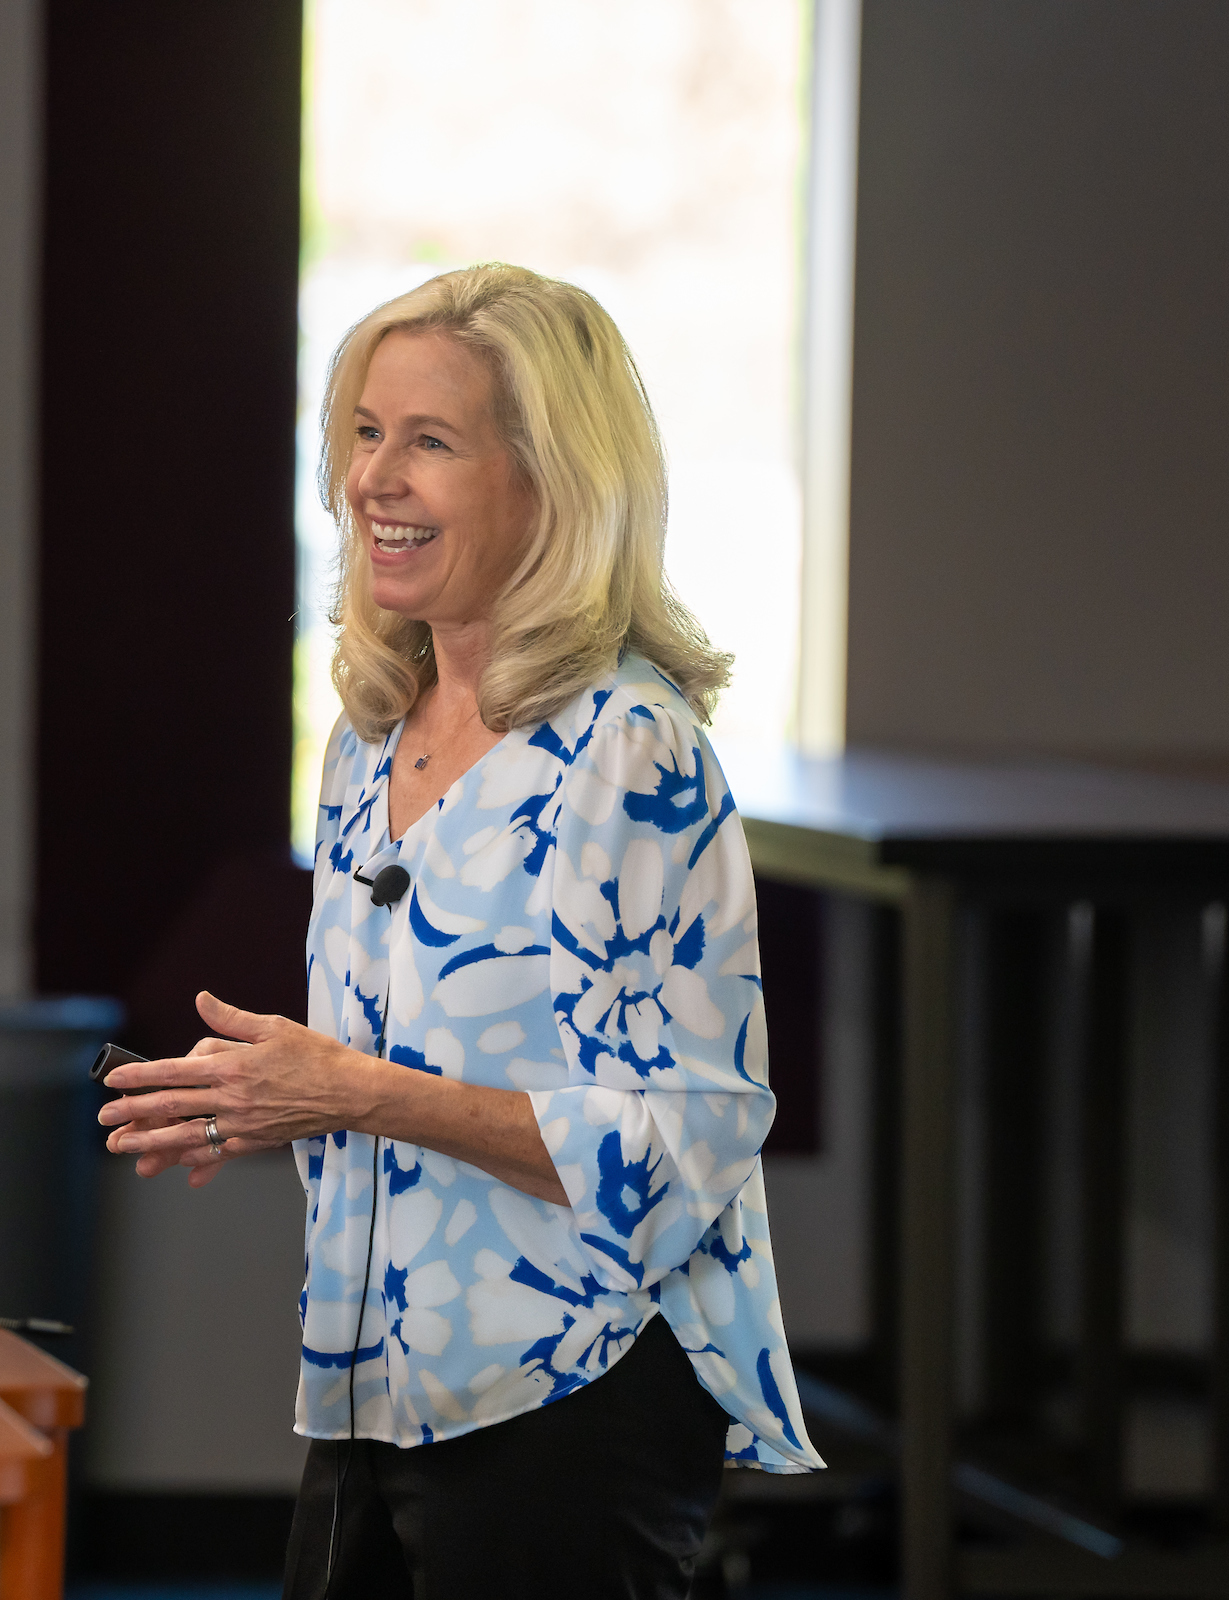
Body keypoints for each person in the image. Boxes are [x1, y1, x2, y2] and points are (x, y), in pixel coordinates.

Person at [98, 263, 825, 1598]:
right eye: (365, 434)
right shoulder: (369, 740)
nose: (377, 476)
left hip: (570, 1397)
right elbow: (398, 1068)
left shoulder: (630, 751)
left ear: (548, 485)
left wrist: (353, 1090)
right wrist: (279, 1100)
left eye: (428, 441)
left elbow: (680, 1144)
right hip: (374, 1382)